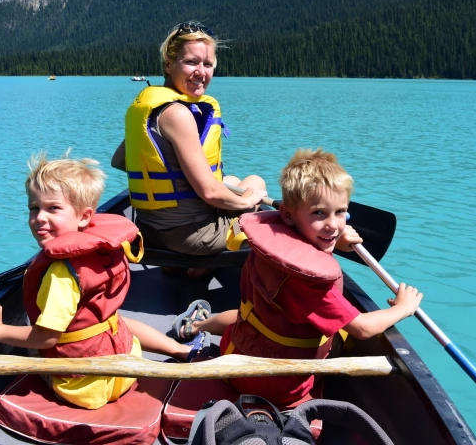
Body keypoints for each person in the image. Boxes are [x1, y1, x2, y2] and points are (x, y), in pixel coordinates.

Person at [173, 148, 423, 405]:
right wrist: (403, 308)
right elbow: (362, 328)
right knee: (341, 335)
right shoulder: (310, 281)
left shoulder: (269, 242)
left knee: (248, 315)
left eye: (340, 213)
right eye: (319, 213)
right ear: (289, 215)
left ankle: (195, 326)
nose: (333, 225)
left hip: (234, 356)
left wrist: (332, 242)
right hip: (278, 387)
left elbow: (301, 247)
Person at [0, 152, 202, 410]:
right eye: (33, 208)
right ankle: (182, 351)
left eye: (53, 208)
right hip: (125, 366)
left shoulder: (61, 273)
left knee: (33, 347)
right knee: (111, 321)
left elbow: (46, 338)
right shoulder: (104, 247)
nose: (39, 218)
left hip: (84, 388)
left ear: (84, 217)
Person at [111, 21, 267, 276]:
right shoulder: (177, 114)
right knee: (254, 182)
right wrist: (249, 200)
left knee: (233, 180)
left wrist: (173, 171)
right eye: (191, 62)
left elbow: (119, 161)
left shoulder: (149, 108)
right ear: (168, 64)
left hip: (149, 231)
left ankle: (177, 265)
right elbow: (209, 192)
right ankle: (198, 268)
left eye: (208, 64)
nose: (201, 72)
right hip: (192, 236)